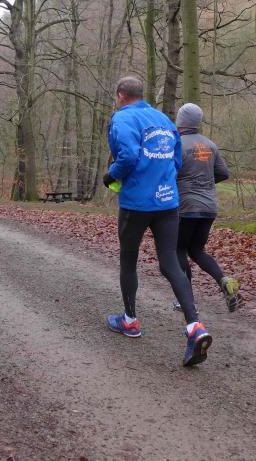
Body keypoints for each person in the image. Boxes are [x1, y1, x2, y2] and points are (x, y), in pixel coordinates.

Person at [103, 76, 212, 367]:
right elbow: (176, 161)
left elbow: (127, 156)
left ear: (121, 95)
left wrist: (111, 175)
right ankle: (195, 327)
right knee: (170, 263)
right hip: (167, 202)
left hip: (137, 203)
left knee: (129, 260)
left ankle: (130, 321)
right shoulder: (164, 119)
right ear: (141, 94)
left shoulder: (122, 118)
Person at [174, 103, 242, 312]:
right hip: (209, 206)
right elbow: (223, 173)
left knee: (179, 250)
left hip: (186, 206)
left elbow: (169, 173)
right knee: (196, 250)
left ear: (180, 121)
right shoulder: (210, 145)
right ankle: (224, 280)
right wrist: (205, 183)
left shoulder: (177, 144)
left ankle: (186, 300)